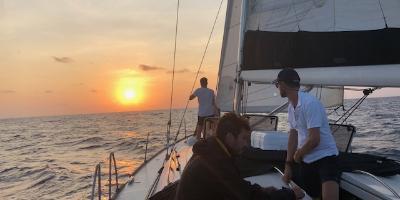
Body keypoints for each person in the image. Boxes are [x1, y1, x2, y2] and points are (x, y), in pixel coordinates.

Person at [175, 112, 304, 200]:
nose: (246, 144)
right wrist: (290, 194)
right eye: (243, 138)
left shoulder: (211, 151)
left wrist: (262, 190)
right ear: (230, 137)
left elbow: (237, 186)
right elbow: (247, 197)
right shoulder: (217, 161)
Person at [273, 68, 339, 200]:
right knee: (313, 196)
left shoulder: (310, 103)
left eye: (277, 84)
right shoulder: (291, 107)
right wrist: (288, 166)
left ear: (283, 85)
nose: (277, 87)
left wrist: (298, 154)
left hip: (326, 158)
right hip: (307, 160)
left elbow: (315, 139)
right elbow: (293, 136)